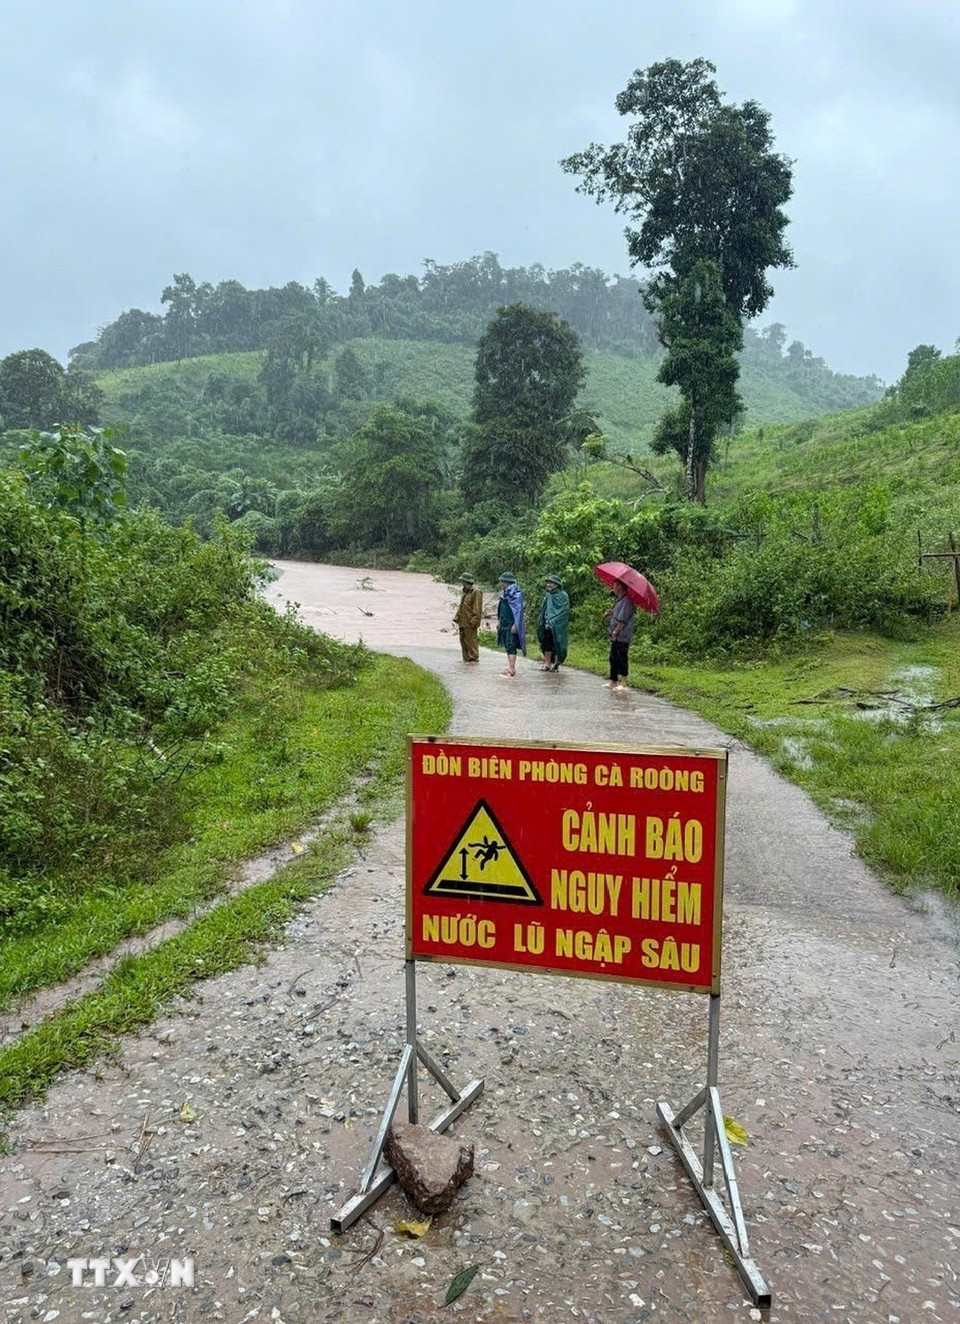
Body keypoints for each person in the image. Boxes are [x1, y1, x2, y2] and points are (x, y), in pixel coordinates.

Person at [604, 579, 636, 690]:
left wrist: (615, 632)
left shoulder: (627, 601)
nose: (613, 587)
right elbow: (617, 613)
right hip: (616, 636)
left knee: (621, 657)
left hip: (622, 635)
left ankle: (623, 682)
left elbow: (622, 620)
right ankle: (613, 681)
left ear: (620, 587)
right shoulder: (619, 600)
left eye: (615, 585)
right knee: (613, 658)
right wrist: (611, 612)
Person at [536, 573, 570, 672]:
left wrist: (555, 621)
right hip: (547, 624)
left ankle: (556, 664)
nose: (549, 585)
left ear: (557, 584)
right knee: (547, 644)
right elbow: (544, 610)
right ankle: (547, 664)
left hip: (558, 625)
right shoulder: (548, 595)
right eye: (548, 583)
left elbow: (564, 611)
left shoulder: (564, 596)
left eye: (551, 583)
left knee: (557, 643)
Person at [496, 572, 526, 677]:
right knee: (508, 645)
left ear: (507, 582)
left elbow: (518, 611)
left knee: (511, 644)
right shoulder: (504, 594)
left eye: (502, 581)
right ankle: (510, 667)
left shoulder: (516, 594)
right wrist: (499, 621)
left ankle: (512, 668)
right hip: (504, 622)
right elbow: (501, 609)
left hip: (511, 624)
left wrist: (515, 625)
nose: (501, 583)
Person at [453, 573, 483, 662]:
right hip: (462, 622)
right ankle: (466, 662)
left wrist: (473, 622)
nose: (461, 582)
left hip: (470, 623)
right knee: (463, 643)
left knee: (471, 645)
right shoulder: (465, 592)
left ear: (466, 581)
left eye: (462, 580)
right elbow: (461, 606)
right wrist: (457, 617)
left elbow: (477, 609)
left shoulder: (476, 592)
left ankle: (473, 664)